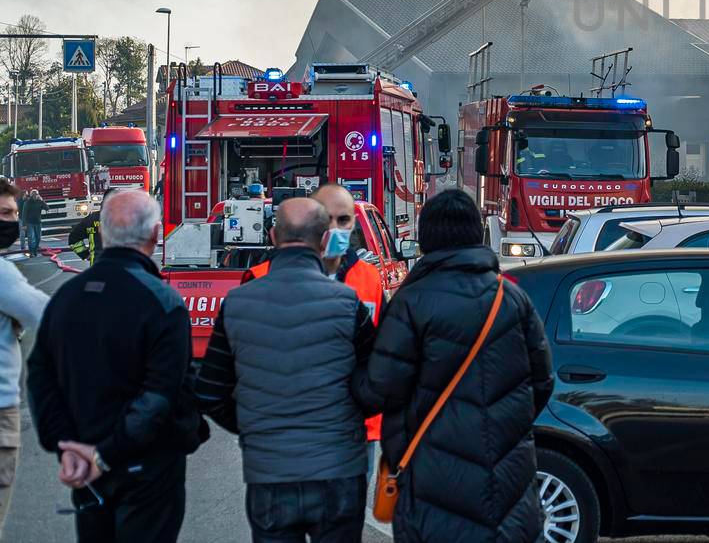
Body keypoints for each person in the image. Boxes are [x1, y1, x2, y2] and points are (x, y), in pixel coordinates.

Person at [356, 190, 553, 543]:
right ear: (478, 235)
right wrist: (504, 423)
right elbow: (542, 382)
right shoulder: (511, 299)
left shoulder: (412, 302)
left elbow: (381, 387)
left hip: (433, 482)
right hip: (506, 481)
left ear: (426, 238)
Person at [27, 189, 208, 542]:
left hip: (84, 466)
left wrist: (66, 446)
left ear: (104, 232)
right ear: (156, 234)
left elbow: (39, 377)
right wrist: (105, 454)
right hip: (146, 469)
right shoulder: (162, 301)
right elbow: (160, 394)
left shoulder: (65, 298)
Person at [194, 197, 377, 543]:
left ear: (274, 236)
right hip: (337, 472)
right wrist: (346, 420)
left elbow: (208, 390)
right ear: (325, 240)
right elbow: (377, 384)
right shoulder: (347, 304)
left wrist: (252, 424)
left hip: (269, 473)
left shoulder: (237, 303)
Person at [0, 177, 49, 532]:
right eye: (4, 213)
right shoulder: (3, 275)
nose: (11, 222)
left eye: (13, 213)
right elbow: (46, 316)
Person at [19, 189, 44, 257]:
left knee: (37, 237)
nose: (27, 196)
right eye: (26, 194)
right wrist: (24, 224)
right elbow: (22, 212)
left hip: (34, 221)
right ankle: (24, 248)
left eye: (27, 195)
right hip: (24, 220)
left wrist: (41, 201)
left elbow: (46, 208)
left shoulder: (32, 201)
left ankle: (35, 249)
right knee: (25, 235)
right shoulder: (22, 201)